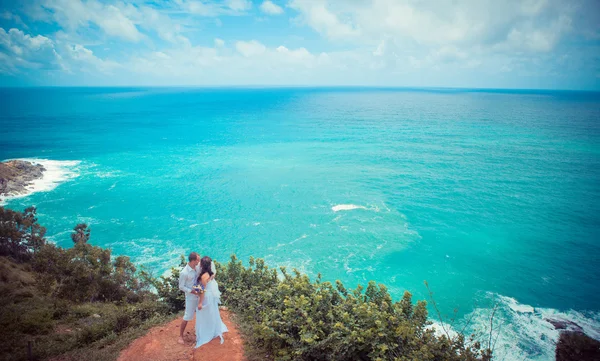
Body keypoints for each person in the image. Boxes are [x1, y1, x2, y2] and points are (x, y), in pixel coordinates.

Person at [195, 256, 228, 348]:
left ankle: (208, 331)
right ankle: (213, 328)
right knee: (212, 313)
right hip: (211, 296)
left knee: (205, 314)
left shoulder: (204, 276)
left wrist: (200, 303)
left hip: (206, 297)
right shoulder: (211, 274)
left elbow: (202, 291)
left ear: (202, 265)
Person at [178, 252, 200, 345]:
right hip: (191, 297)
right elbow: (181, 287)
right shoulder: (184, 273)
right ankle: (180, 336)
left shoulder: (197, 268)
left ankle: (199, 332)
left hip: (199, 294)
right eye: (198, 260)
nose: (199, 261)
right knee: (188, 316)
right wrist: (191, 291)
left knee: (200, 313)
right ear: (193, 261)